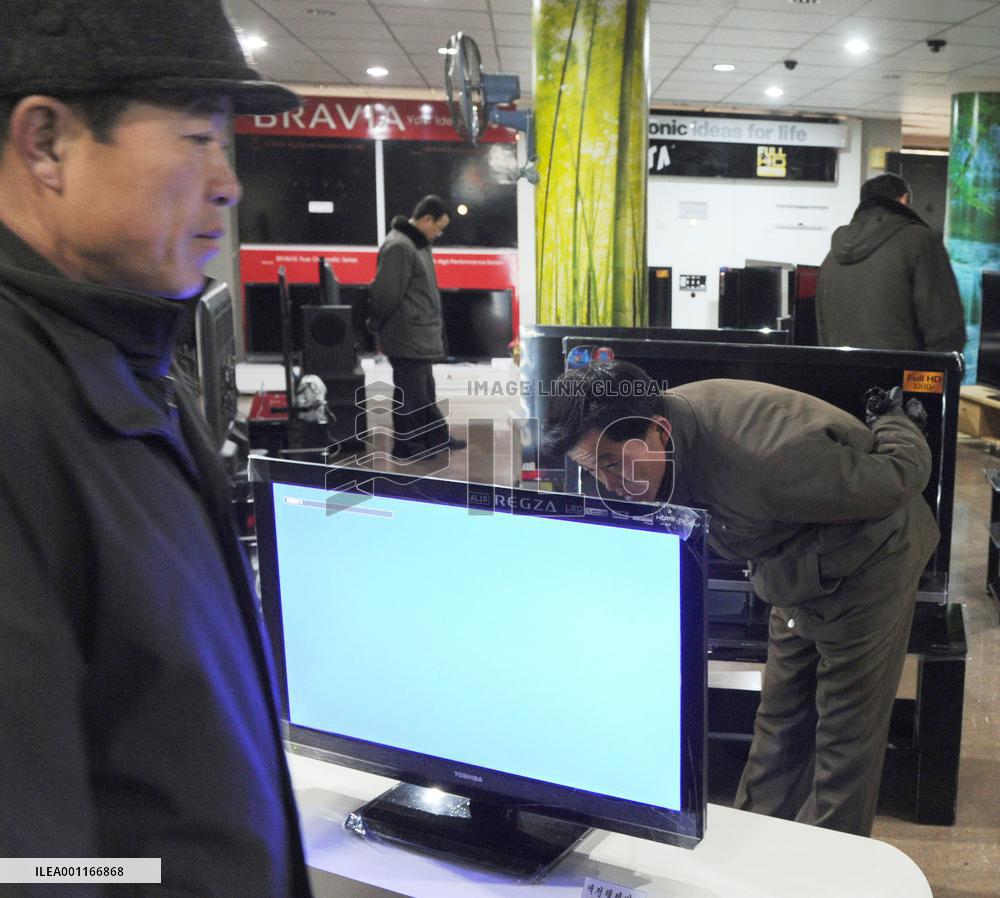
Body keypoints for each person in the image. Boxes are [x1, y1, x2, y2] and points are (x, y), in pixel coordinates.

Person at [0, 2, 312, 895]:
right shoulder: (19, 406)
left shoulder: (134, 372)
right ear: (46, 144)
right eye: (196, 136)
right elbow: (29, 865)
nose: (227, 182)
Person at [542, 360, 939, 837]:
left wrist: (894, 419)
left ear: (660, 432)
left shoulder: (769, 460)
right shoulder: (650, 433)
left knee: (843, 744)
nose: (608, 484)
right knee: (777, 729)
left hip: (872, 558)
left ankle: (833, 873)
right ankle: (753, 871)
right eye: (591, 469)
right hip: (789, 565)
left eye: (612, 462)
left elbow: (898, 475)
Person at [816, 172, 966, 353]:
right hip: (902, 376)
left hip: (843, 375)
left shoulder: (833, 255)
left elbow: (823, 330)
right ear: (904, 199)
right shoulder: (919, 241)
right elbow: (944, 329)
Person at [368, 195, 466, 459]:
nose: (439, 232)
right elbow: (386, 294)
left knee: (424, 391)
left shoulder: (417, 244)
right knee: (410, 396)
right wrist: (373, 325)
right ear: (425, 219)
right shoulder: (400, 246)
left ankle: (434, 438)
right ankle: (407, 448)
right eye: (438, 226)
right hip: (406, 335)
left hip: (419, 334)